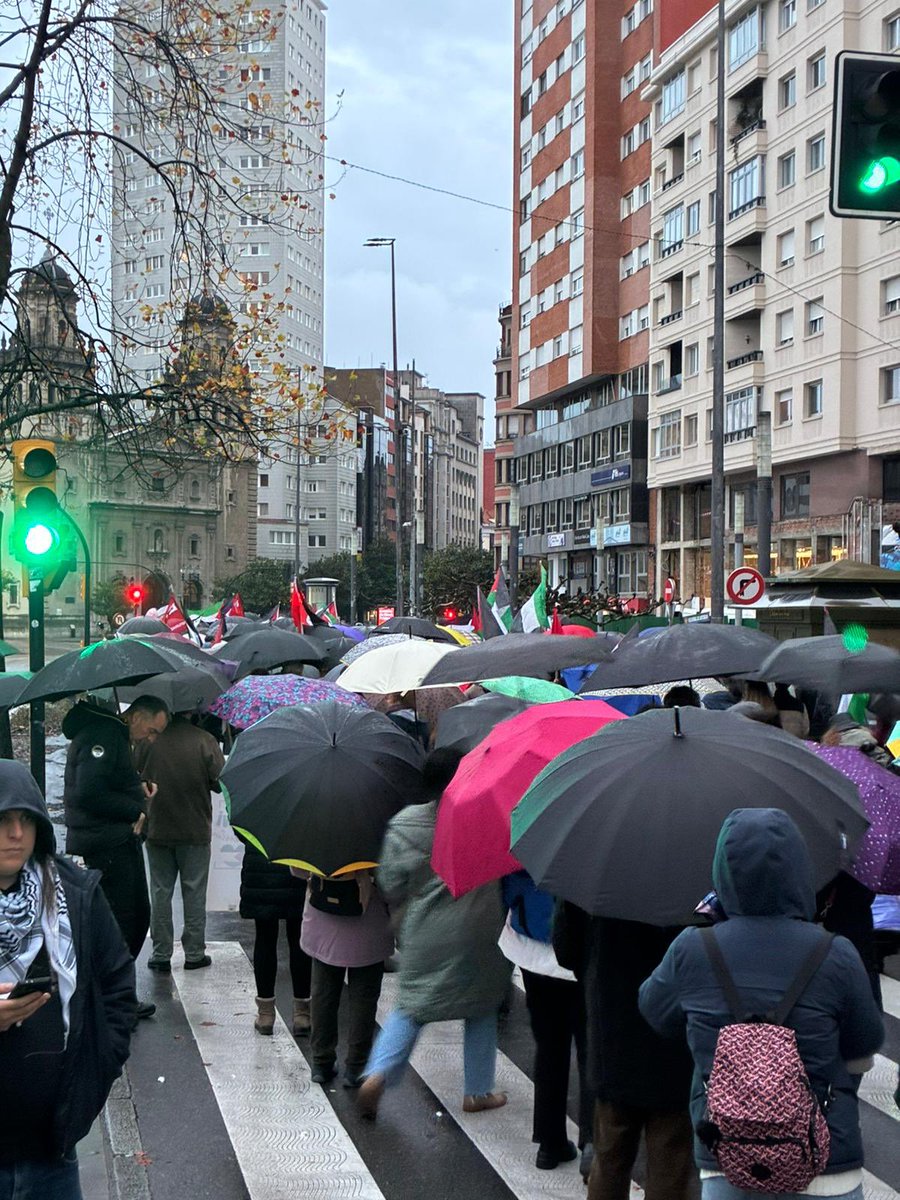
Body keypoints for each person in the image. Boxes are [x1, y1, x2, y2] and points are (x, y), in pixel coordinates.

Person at [639, 808, 884, 1200]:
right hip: (823, 1157)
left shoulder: (694, 948)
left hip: (728, 1154)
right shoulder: (834, 952)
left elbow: (655, 1011)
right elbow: (864, 1041)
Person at [0, 759, 136, 1199]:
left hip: (51, 1152)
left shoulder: (75, 895)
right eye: (2, 819)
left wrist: (91, 1085)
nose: (16, 834)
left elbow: (117, 987)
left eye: (26, 819)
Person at [357, 749, 510, 1119]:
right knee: (482, 1006)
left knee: (412, 1005)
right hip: (479, 927)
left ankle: (378, 1072)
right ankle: (477, 1090)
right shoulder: (487, 817)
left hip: (425, 929)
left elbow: (391, 882)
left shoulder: (406, 824)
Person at [554, 902, 697, 1200]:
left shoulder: (598, 867)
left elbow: (566, 949)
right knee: (670, 1163)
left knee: (609, 1159)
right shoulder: (696, 872)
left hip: (613, 1028)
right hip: (675, 1037)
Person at [63, 695, 169, 1020]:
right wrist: (133, 807)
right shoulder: (104, 735)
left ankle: (115, 994)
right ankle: (112, 999)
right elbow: (89, 791)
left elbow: (107, 782)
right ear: (136, 716)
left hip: (115, 839)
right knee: (126, 920)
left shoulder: (112, 734)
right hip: (107, 842)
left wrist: (138, 788)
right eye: (151, 730)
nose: (151, 739)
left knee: (134, 916)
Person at [501, 870, 593, 1176]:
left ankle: (549, 1142)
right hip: (584, 955)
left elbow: (508, 889)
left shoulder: (530, 831)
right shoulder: (597, 829)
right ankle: (592, 1141)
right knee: (591, 1049)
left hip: (534, 950)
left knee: (549, 1046)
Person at [136, 714, 225, 972]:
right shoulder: (204, 741)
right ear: (191, 712)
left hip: (157, 827)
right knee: (194, 891)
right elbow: (220, 783)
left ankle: (160, 952)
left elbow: (136, 773)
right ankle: (194, 952)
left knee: (160, 891)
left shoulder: (148, 740)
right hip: (194, 828)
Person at [300, 866, 393, 1087]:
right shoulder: (377, 833)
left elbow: (298, 871)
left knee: (323, 993)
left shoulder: (314, 832)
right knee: (364, 999)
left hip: (322, 919)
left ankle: (321, 1062)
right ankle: (357, 1067)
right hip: (369, 921)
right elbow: (391, 880)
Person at [239, 842, 311, 1037]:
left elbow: (240, 829)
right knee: (299, 939)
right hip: (296, 862)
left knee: (264, 938)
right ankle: (302, 1013)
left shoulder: (256, 811)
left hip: (260, 866)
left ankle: (265, 1014)